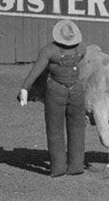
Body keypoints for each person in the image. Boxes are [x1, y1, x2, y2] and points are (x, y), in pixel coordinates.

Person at [18, 19, 87, 178]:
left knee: (55, 129)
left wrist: (25, 87)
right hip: (77, 91)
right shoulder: (81, 49)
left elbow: (36, 71)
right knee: (77, 128)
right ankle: (76, 166)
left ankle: (58, 168)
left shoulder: (49, 50)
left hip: (56, 91)